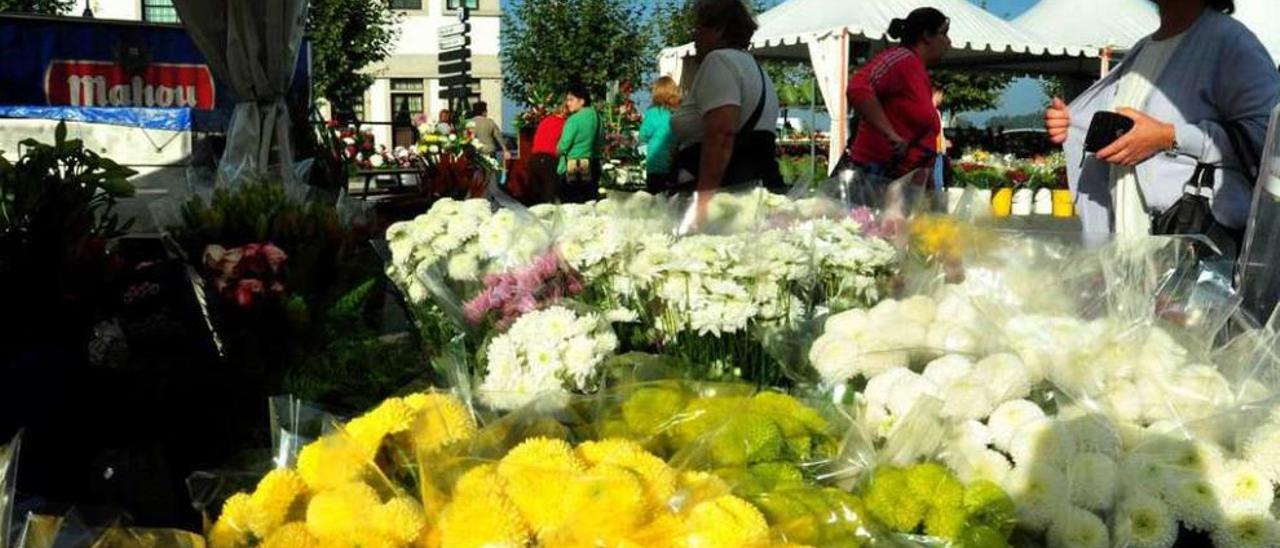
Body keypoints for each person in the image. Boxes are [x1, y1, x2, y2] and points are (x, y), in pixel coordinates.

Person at [1046, 0, 1280, 242]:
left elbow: (1270, 138)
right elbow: (1125, 132)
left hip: (1193, 247)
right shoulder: (1143, 49)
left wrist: (1169, 137)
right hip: (1127, 243)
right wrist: (1071, 124)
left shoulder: (1231, 42)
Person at [670, 0, 783, 204]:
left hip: (727, 192)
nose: (694, 35)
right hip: (755, 180)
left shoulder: (719, 61)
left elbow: (721, 134)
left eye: (699, 27)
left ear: (719, 28)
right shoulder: (753, 67)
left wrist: (702, 202)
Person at [846, 7, 951, 181]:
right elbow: (857, 88)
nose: (949, 42)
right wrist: (891, 134)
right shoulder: (899, 60)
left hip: (902, 182)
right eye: (944, 33)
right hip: (877, 178)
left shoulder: (918, 70)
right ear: (926, 36)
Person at [557, 84, 604, 203]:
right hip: (593, 164)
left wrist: (557, 151)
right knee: (589, 202)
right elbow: (601, 140)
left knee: (571, 203)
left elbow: (564, 145)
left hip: (573, 166)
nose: (568, 103)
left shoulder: (574, 119)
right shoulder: (597, 117)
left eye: (571, 100)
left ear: (582, 101)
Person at [639, 76, 681, 192]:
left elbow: (643, 136)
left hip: (655, 164)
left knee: (655, 200)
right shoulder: (678, 113)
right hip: (674, 163)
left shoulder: (653, 113)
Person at [530, 104, 568, 203]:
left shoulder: (545, 120)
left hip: (535, 158)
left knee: (538, 196)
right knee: (549, 194)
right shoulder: (565, 123)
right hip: (549, 158)